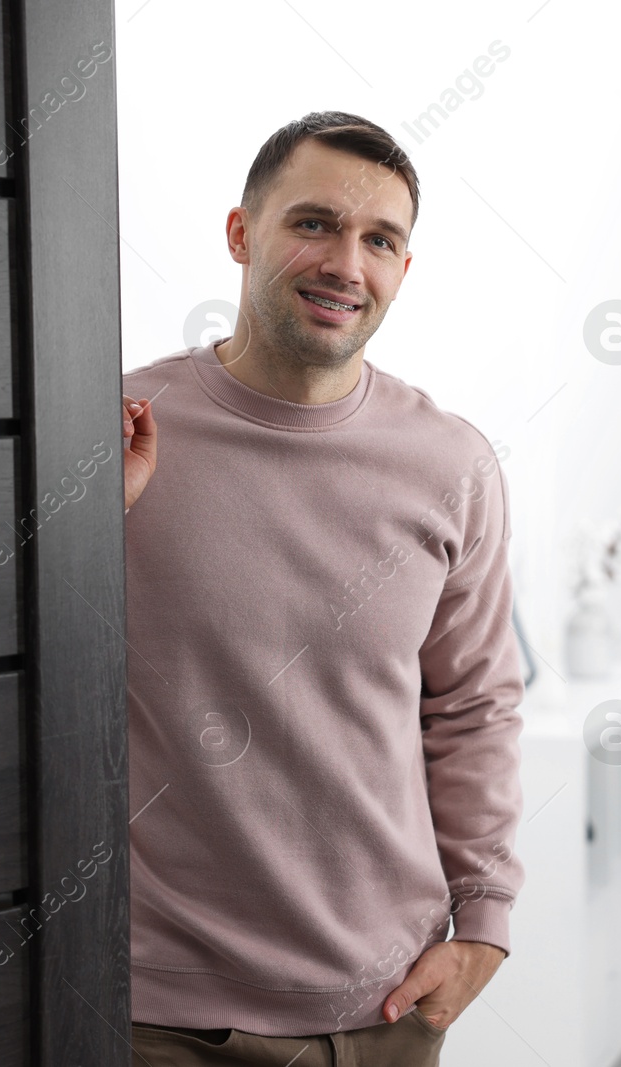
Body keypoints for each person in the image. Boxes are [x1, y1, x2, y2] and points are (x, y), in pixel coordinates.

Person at [118, 111, 526, 1066]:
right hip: (160, 1012)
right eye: (314, 224)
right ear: (240, 234)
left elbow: (474, 705)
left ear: (402, 269)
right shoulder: (118, 427)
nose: (347, 262)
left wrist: (487, 921)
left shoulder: (452, 463)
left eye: (379, 239)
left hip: (385, 1005)